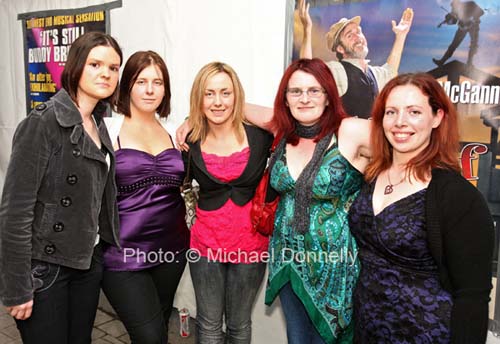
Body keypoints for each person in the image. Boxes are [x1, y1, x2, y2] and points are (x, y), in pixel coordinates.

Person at [348, 73, 494, 342]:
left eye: (414, 111)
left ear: (437, 117)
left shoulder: (457, 197)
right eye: (391, 112)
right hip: (366, 329)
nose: (400, 122)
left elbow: (472, 296)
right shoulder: (370, 176)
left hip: (426, 333)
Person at [0, 31, 122, 343]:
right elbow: (15, 210)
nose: (106, 73)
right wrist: (15, 285)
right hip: (46, 267)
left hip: (87, 261)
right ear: (76, 65)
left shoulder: (97, 122)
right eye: (96, 64)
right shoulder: (44, 122)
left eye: (113, 67)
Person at [264, 58, 371, 343]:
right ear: (285, 99)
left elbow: (405, 144)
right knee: (297, 338)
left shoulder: (350, 131)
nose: (304, 98)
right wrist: (192, 119)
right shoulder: (284, 133)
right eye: (295, 91)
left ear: (328, 95)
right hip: (287, 259)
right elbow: (238, 109)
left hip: (335, 264)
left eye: (314, 90)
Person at [101, 51, 190, 343]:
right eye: (141, 81)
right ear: (127, 85)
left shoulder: (176, 130)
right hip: (123, 254)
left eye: (158, 82)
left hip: (171, 250)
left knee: (160, 327)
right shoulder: (107, 129)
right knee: (151, 336)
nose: (150, 90)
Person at [184, 62, 273, 343]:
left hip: (251, 246)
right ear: (199, 98)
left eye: (226, 92)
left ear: (238, 96)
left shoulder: (261, 137)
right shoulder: (190, 140)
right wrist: (190, 120)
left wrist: (240, 106)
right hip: (205, 246)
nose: (218, 101)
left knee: (238, 325)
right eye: (209, 94)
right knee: (209, 326)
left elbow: (286, 120)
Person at [297, 0, 413, 119]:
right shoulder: (337, 70)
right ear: (340, 49)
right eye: (350, 35)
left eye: (359, 32)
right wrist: (307, 30)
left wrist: (401, 36)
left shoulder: (373, 73)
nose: (357, 37)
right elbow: (307, 72)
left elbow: (390, 71)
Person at [433, 0, 484, 67]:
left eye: (454, 8)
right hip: (462, 27)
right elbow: (453, 20)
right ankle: (442, 61)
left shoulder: (471, 4)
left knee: (473, 44)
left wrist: (472, 18)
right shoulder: (455, 11)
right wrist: (444, 22)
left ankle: (469, 63)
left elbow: (481, 12)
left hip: (473, 26)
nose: (453, 10)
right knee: (454, 44)